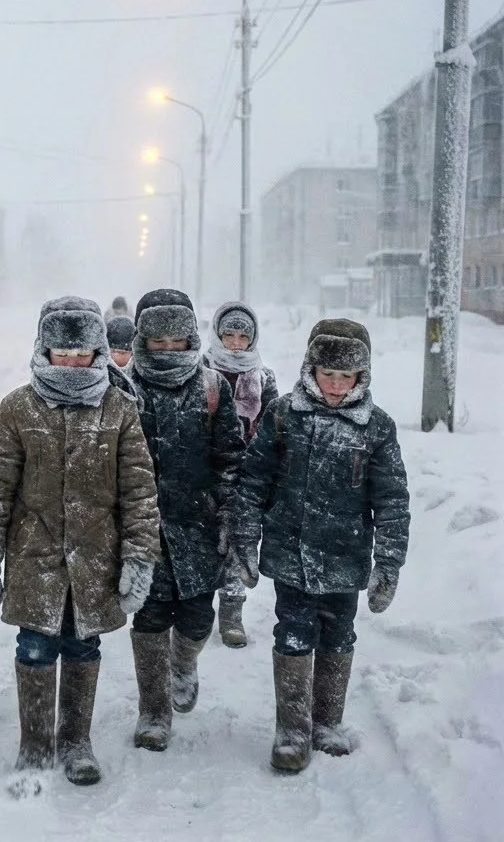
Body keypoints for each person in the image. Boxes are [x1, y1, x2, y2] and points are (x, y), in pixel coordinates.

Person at [0, 296, 160, 789]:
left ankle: (75, 741)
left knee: (82, 646)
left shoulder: (119, 409)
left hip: (96, 557)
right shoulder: (18, 407)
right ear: (44, 350)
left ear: (98, 353)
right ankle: (35, 744)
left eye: (81, 354)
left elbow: (139, 491)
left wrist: (139, 556)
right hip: (33, 555)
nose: (71, 363)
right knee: (34, 647)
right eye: (62, 353)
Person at [227, 319, 410, 773]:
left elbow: (392, 501)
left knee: (338, 634)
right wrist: (244, 539)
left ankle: (326, 722)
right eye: (328, 374)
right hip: (290, 553)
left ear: (361, 376)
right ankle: (291, 730)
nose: (336, 384)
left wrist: (388, 564)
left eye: (346, 376)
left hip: (346, 556)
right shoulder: (283, 415)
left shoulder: (377, 427)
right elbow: (253, 481)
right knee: (292, 632)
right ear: (311, 369)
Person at [127, 288, 245, 752]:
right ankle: (153, 711)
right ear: (143, 340)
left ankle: (184, 661)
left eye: (177, 342)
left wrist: (229, 516)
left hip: (198, 526)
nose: (168, 350)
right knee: (150, 619)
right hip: (144, 527)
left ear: (191, 339)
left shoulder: (212, 387)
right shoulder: (124, 388)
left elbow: (230, 459)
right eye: (159, 342)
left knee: (197, 620)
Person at [202, 301, 279, 648]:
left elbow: (273, 426)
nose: (235, 343)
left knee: (237, 540)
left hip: (246, 473)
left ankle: (232, 613)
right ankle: (198, 610)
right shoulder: (201, 370)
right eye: (229, 335)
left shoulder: (263, 377)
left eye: (243, 336)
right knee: (204, 540)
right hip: (207, 471)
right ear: (218, 335)